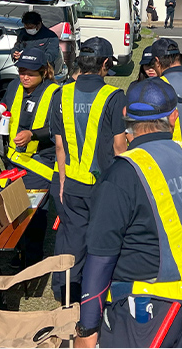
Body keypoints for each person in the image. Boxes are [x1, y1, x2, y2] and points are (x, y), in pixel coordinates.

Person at [74, 78, 182, 348]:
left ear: (127, 118)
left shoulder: (121, 173)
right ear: (173, 118)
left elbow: (101, 257)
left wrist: (87, 327)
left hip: (144, 311)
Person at [50, 37, 127, 302]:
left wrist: (61, 182)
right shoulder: (114, 97)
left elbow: (59, 146)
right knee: (103, 242)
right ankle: (96, 297)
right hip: (104, 185)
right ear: (105, 63)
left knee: (72, 239)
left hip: (71, 183)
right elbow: (119, 145)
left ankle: (66, 294)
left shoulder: (61, 94)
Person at [1, 47, 59, 265]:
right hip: (14, 160)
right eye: (22, 71)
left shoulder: (55, 93)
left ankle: (32, 259)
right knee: (15, 207)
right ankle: (18, 251)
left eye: (31, 73)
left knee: (34, 213)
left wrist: (32, 134)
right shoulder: (15, 86)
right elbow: (7, 106)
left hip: (40, 163)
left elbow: (56, 128)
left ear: (44, 71)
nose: (24, 76)